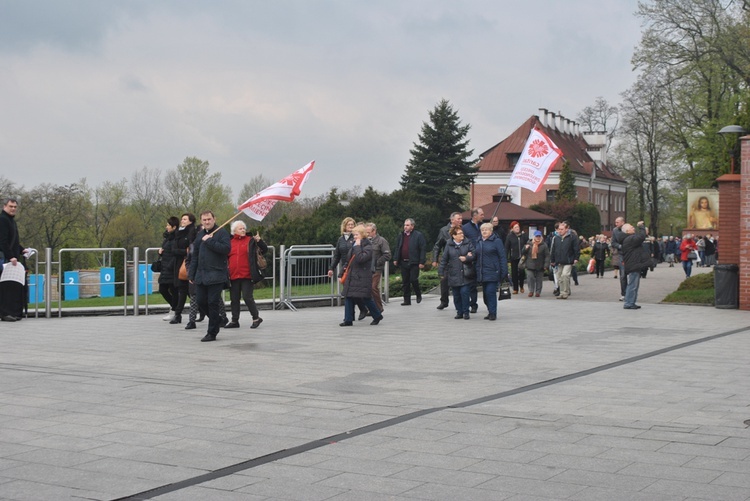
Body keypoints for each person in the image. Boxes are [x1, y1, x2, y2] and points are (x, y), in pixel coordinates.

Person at [188, 210, 231, 342]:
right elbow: (194, 255)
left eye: (209, 219)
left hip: (216, 274)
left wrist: (210, 241)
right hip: (201, 275)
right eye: (204, 220)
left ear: (214, 219)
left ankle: (212, 332)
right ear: (201, 221)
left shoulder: (222, 232)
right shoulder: (200, 235)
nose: (207, 222)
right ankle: (217, 319)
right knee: (201, 301)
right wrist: (192, 273)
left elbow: (226, 249)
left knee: (212, 302)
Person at [226, 220, 266, 330]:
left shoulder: (251, 240)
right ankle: (234, 320)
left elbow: (264, 250)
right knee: (234, 299)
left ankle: (256, 318)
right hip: (233, 275)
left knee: (247, 297)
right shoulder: (229, 242)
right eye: (240, 228)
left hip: (247, 275)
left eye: (244, 228)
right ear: (234, 231)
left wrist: (259, 241)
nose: (243, 230)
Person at [340, 225, 383, 326]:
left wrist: (358, 247)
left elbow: (361, 259)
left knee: (365, 297)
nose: (354, 237)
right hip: (353, 276)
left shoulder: (368, 247)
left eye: (356, 234)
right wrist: (341, 272)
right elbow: (349, 261)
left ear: (362, 235)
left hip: (362, 277)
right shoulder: (355, 245)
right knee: (349, 297)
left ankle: (377, 315)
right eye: (354, 234)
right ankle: (348, 319)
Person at [329, 217, 368, 320]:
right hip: (345, 267)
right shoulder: (340, 239)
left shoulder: (355, 237)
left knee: (352, 292)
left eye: (352, 224)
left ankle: (356, 312)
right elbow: (337, 255)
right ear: (344, 226)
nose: (351, 226)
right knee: (349, 293)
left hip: (355, 268)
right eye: (349, 225)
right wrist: (331, 268)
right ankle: (353, 313)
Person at [438, 226, 475, 320]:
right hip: (453, 273)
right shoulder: (449, 245)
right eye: (459, 233)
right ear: (453, 236)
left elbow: (474, 254)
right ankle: (459, 312)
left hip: (465, 273)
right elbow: (444, 259)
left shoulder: (467, 243)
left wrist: (467, 258)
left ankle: (466, 312)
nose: (462, 235)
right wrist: (441, 272)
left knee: (465, 293)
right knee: (457, 295)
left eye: (462, 233)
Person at [0, 198, 27, 321]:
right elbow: (2, 241)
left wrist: (22, 250)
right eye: (11, 206)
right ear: (4, 206)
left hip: (9, 257)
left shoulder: (10, 221)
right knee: (6, 287)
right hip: (5, 258)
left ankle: (11, 312)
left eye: (15, 207)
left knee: (10, 286)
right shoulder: (3, 220)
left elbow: (13, 240)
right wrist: (11, 256)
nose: (13, 209)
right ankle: (5, 313)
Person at [475, 223, 508, 320]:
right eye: (482, 230)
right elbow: (476, 255)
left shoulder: (496, 241)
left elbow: (502, 257)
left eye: (486, 230)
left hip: (493, 271)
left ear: (491, 231)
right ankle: (490, 311)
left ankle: (493, 313)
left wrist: (503, 271)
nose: (484, 232)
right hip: (482, 272)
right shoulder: (479, 241)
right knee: (485, 295)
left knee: (490, 292)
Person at [431, 212, 463, 310]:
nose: (460, 220)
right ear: (452, 220)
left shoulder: (462, 230)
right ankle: (444, 301)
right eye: (458, 219)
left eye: (461, 219)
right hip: (447, 260)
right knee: (444, 281)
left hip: (459, 260)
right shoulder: (444, 230)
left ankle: (462, 303)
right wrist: (434, 259)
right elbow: (437, 246)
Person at [393, 218, 426, 306]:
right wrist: (396, 258)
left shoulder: (418, 235)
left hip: (414, 261)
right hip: (403, 262)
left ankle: (418, 294)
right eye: (404, 225)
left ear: (412, 226)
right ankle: (407, 300)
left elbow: (422, 249)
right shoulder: (401, 235)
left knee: (413, 279)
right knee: (405, 281)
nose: (405, 227)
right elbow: (398, 247)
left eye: (407, 225)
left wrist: (422, 261)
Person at [171, 213, 196, 326]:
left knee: (191, 292)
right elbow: (174, 248)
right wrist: (181, 251)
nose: (182, 221)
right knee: (182, 290)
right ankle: (178, 314)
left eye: (185, 219)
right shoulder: (178, 232)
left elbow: (191, 249)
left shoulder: (192, 232)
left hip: (187, 264)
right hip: (179, 264)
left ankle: (201, 313)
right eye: (182, 219)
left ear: (191, 221)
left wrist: (180, 251)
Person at [621, 222, 651, 310]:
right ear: (627, 231)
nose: (633, 228)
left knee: (634, 284)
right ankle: (628, 303)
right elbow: (641, 237)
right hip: (633, 264)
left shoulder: (629, 239)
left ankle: (631, 302)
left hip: (633, 264)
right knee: (632, 284)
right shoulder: (630, 239)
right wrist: (641, 227)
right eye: (631, 227)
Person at [365, 222, 391, 316]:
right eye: (366, 232)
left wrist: (377, 262)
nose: (367, 234)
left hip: (377, 269)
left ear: (374, 231)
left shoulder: (381, 241)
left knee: (373, 287)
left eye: (368, 232)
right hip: (366, 269)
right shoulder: (366, 241)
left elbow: (387, 255)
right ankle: (371, 308)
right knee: (367, 289)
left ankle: (379, 308)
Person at [462, 208, 484, 312]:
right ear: (475, 216)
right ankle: (473, 304)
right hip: (471, 260)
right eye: (481, 214)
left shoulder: (483, 227)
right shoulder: (465, 228)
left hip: (482, 259)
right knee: (472, 284)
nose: (483, 216)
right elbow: (463, 242)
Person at [550, 221, 579, 300]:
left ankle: (564, 293)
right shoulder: (556, 238)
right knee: (559, 277)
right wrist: (552, 260)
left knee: (565, 275)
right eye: (559, 229)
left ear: (566, 229)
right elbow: (553, 250)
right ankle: (562, 291)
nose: (560, 231)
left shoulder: (572, 237)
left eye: (562, 229)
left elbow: (576, 248)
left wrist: (576, 258)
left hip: (568, 260)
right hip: (558, 261)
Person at [158, 216, 179, 322]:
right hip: (165, 267)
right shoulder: (167, 238)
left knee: (174, 290)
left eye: (168, 225)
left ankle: (175, 310)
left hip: (171, 268)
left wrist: (170, 266)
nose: (166, 227)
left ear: (174, 227)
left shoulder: (176, 238)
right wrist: (161, 252)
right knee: (162, 289)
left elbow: (175, 253)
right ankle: (175, 307)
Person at [521, 230, 550, 297]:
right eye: (537, 236)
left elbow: (547, 256)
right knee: (530, 277)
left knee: (539, 279)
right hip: (530, 264)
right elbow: (523, 253)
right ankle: (531, 291)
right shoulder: (529, 243)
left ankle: (538, 292)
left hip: (540, 265)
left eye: (539, 236)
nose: (538, 237)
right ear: (534, 237)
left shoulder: (544, 245)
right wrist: (525, 249)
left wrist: (546, 265)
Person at [505, 221, 528, 294]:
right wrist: (506, 257)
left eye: (518, 227)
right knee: (514, 273)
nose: (517, 229)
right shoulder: (509, 236)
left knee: (521, 272)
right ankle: (515, 288)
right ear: (512, 229)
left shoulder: (523, 235)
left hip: (522, 257)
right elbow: (506, 247)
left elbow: (527, 243)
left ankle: (521, 286)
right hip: (514, 257)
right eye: (515, 227)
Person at [610, 216, 628, 301]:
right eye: (615, 222)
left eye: (617, 222)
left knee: (632, 275)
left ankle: (631, 292)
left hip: (630, 254)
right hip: (621, 254)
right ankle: (624, 294)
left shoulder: (628, 229)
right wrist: (620, 246)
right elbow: (613, 242)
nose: (616, 224)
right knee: (623, 274)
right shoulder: (615, 230)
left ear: (623, 222)